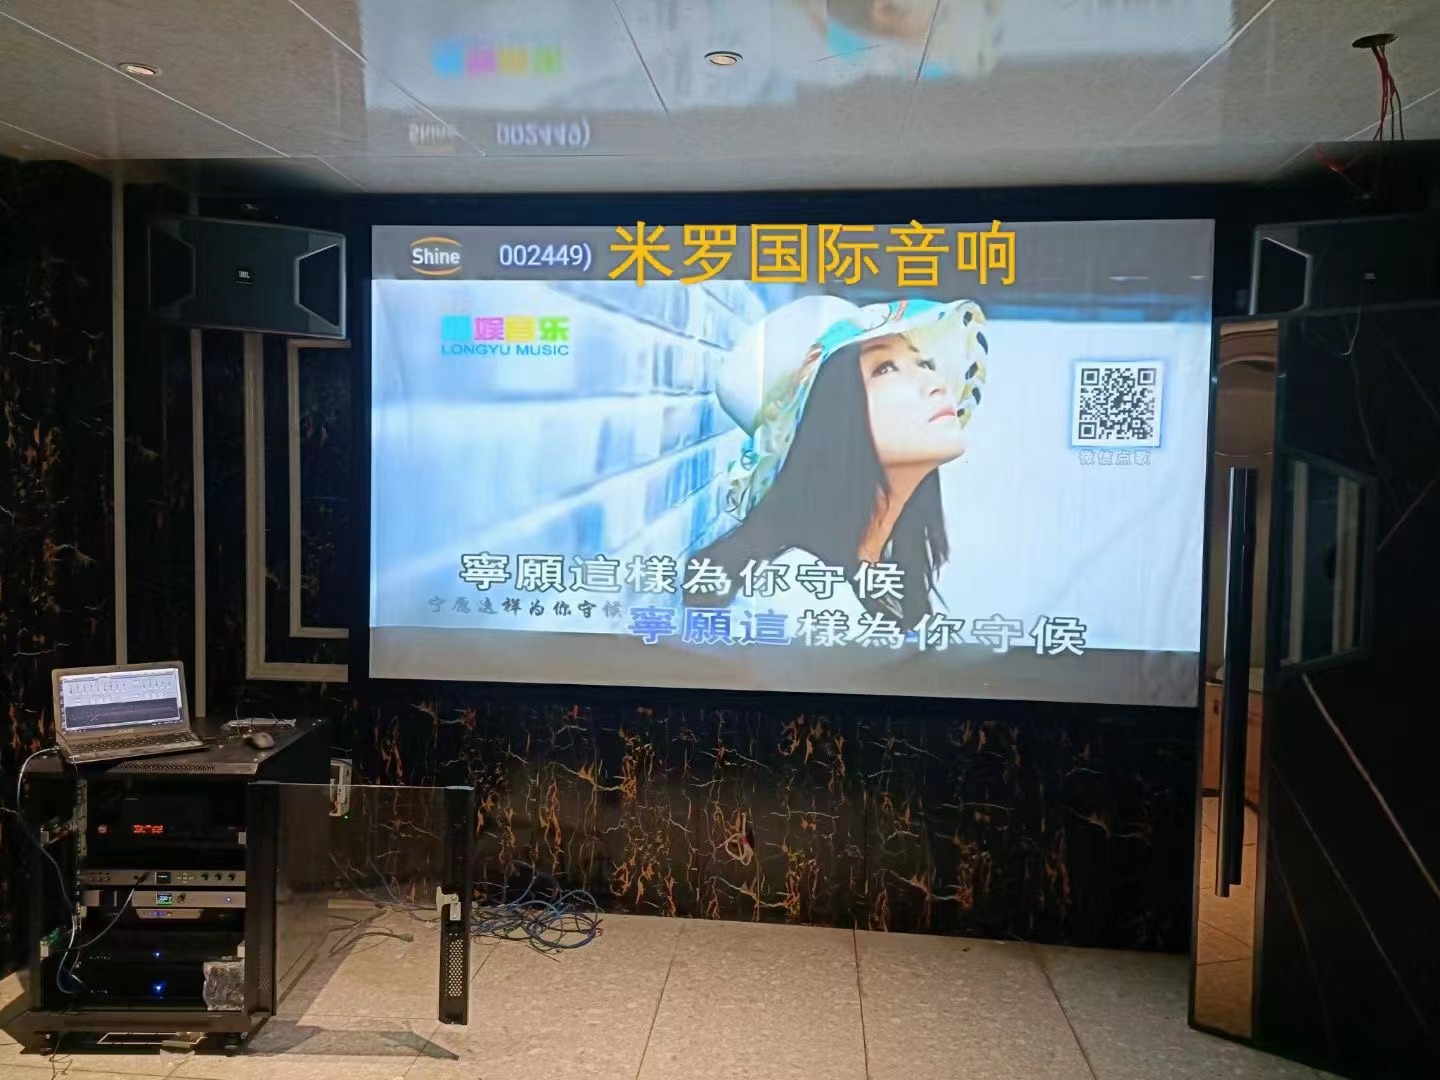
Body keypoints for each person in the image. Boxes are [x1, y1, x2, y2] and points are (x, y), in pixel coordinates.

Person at [691, 295, 991, 632]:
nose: (937, 384)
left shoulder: (882, 568)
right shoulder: (801, 595)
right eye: (885, 368)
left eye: (925, 364)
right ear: (830, 419)